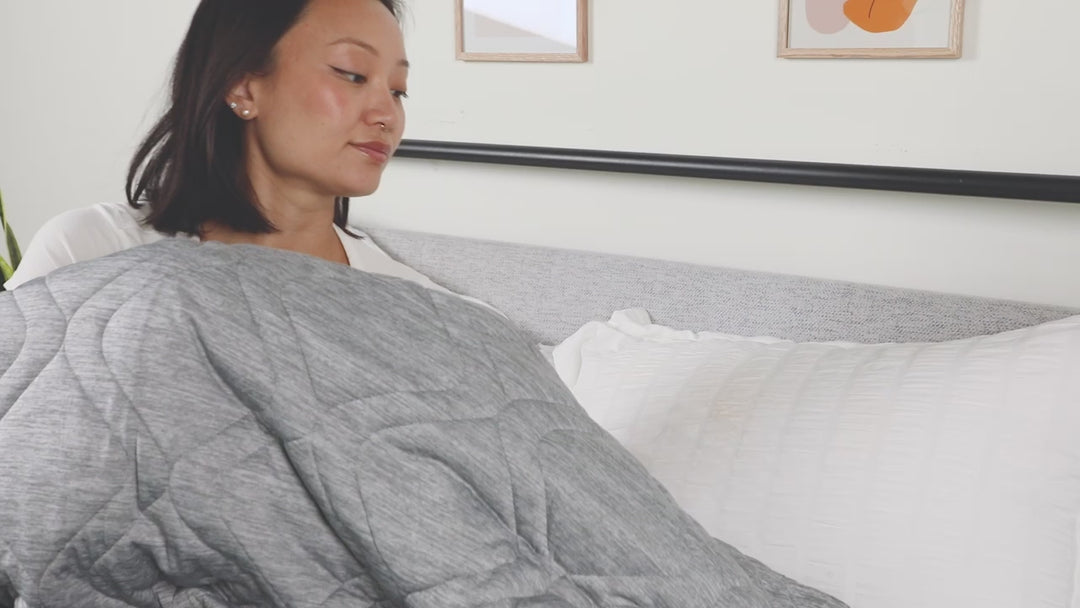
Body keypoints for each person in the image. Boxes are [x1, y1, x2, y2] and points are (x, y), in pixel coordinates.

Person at [5, 0, 478, 308]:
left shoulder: (414, 305)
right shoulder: (90, 250)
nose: (387, 115)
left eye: (399, 91)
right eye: (352, 74)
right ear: (242, 86)